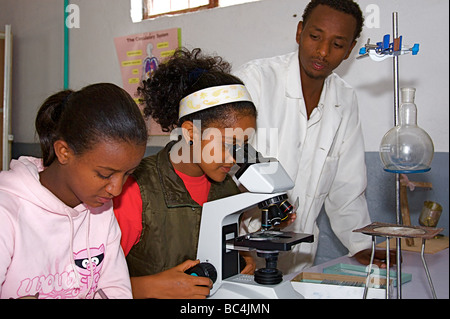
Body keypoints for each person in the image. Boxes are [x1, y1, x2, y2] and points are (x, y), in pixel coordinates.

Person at [234, 0, 392, 275]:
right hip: (241, 253)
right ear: (299, 32)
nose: (322, 51)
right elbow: (223, 161)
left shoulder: (344, 100)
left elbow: (347, 188)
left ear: (350, 50)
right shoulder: (254, 81)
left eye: (337, 44)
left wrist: (362, 245)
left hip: (300, 257)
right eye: (315, 37)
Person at [113, 48, 264, 299]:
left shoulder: (227, 188)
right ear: (191, 132)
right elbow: (90, 284)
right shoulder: (135, 188)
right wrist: (150, 287)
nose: (234, 158)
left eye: (241, 146)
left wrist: (242, 258)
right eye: (227, 144)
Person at [0, 83, 148, 299]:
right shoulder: (7, 211)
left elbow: (118, 291)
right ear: (64, 152)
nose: (116, 190)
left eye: (127, 174)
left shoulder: (101, 211)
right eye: (105, 174)